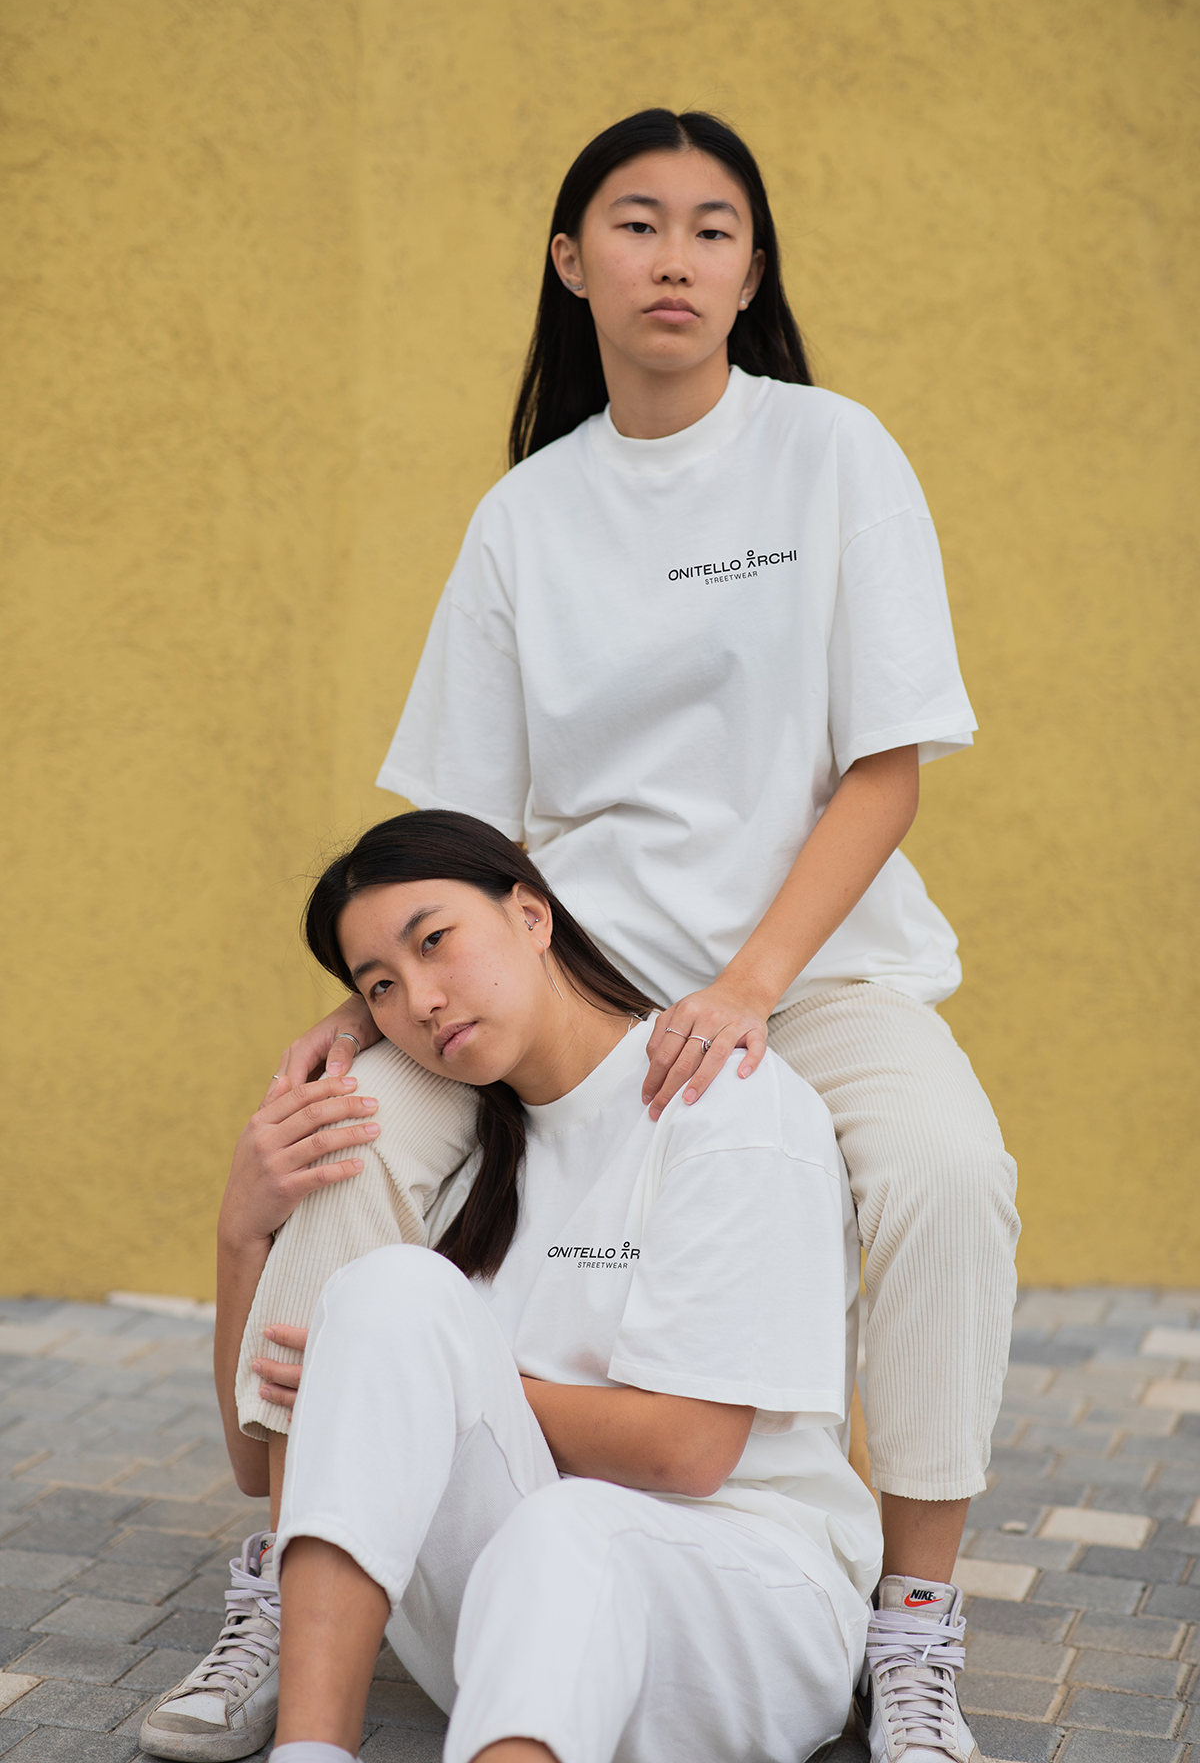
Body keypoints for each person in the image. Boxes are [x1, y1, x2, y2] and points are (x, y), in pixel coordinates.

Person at [146, 108, 1017, 1763]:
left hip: (811, 969)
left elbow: (887, 769)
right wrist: (373, 1008)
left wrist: (752, 986)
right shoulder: (525, 520)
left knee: (946, 1173)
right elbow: (460, 837)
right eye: (636, 223)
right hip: (583, 980)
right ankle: (287, 1558)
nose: (675, 257)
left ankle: (911, 1619)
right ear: (571, 262)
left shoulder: (834, 454)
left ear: (753, 268)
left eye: (712, 227)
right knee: (351, 1138)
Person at [146, 811, 883, 1763]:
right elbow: (268, 1471)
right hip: (507, 1606)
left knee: (568, 1531)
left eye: (435, 943)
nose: (421, 999)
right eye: (381, 987)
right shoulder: (457, 1163)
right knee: (389, 1295)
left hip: (743, 1610)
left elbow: (691, 1449)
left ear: (531, 915)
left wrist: (437, 1391)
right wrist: (240, 1234)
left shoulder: (720, 1099)